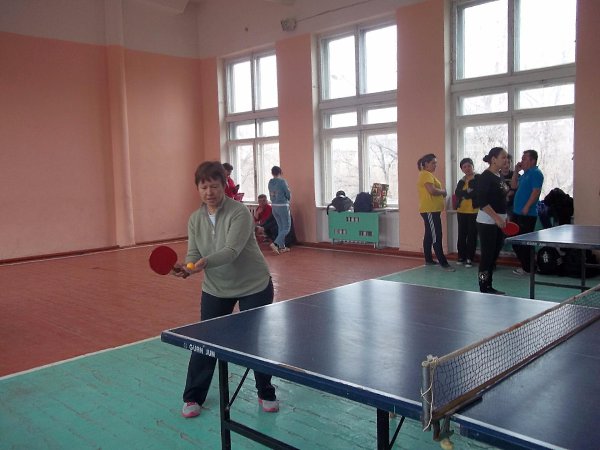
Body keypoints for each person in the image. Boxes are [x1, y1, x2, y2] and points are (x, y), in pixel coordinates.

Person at [172, 161, 278, 418]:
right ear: (198, 189)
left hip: (254, 285)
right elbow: (194, 252)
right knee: (205, 341)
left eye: (214, 186)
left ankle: (266, 392)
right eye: (204, 187)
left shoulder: (239, 212)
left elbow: (231, 251)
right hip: (216, 287)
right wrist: (188, 267)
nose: (209, 192)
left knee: (256, 341)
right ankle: (193, 396)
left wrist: (202, 264)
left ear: (224, 186)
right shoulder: (195, 219)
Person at [475, 147, 510, 295]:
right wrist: (496, 217)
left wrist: (504, 216)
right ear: (493, 159)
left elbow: (500, 199)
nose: (506, 160)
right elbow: (482, 202)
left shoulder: (499, 175)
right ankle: (484, 286)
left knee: (494, 256)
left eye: (507, 157)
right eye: (503, 157)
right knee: (487, 257)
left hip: (499, 221)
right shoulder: (485, 177)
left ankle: (489, 285)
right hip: (487, 221)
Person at [417, 153, 454, 271]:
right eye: (433, 163)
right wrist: (443, 192)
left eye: (436, 163)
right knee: (436, 235)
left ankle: (428, 260)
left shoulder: (427, 174)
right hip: (430, 210)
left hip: (432, 210)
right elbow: (432, 191)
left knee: (429, 235)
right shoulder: (425, 174)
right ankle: (444, 263)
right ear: (426, 164)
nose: (435, 165)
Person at [510, 149, 544, 276]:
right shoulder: (525, 174)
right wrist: (515, 172)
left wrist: (527, 206)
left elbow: (536, 192)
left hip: (527, 214)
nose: (521, 161)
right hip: (516, 213)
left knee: (524, 243)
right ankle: (527, 267)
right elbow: (513, 186)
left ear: (532, 161)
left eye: (524, 159)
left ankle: (529, 268)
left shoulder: (536, 173)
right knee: (515, 242)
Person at [454, 158, 479, 268]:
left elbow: (475, 193)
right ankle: (461, 257)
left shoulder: (478, 178)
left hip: (474, 211)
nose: (467, 168)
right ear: (462, 169)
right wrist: (466, 192)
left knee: (472, 235)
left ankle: (469, 258)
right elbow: (457, 193)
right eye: (464, 167)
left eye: (469, 166)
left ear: (473, 166)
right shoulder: (462, 180)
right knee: (461, 235)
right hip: (461, 211)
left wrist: (465, 194)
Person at [268, 166, 291, 255]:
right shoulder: (282, 182)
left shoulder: (270, 182)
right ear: (280, 172)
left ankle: (282, 247)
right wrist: (288, 199)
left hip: (274, 206)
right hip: (283, 206)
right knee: (286, 227)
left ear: (272, 173)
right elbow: (288, 193)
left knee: (281, 227)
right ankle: (275, 244)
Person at [501, 153, 516, 220]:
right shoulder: (496, 175)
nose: (507, 165)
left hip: (513, 205)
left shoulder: (515, 175)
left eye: (509, 163)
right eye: (504, 163)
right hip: (500, 205)